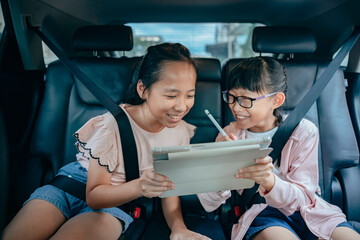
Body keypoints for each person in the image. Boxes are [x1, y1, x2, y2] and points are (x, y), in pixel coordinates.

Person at [3, 43, 210, 240]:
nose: (182, 106)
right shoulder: (111, 126)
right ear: (143, 89)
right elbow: (94, 194)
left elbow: (168, 189)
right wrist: (140, 187)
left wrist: (179, 229)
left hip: (116, 204)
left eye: (189, 95)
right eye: (171, 95)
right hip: (68, 187)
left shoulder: (180, 132)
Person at [197, 57, 360, 240]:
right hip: (263, 214)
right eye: (232, 97)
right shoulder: (229, 136)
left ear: (276, 100)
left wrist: (270, 182)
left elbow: (304, 197)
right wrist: (222, 165)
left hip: (314, 212)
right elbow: (209, 203)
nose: (235, 106)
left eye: (245, 99)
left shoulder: (303, 132)